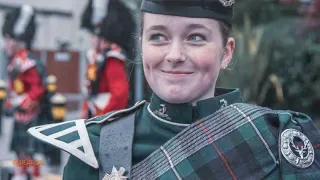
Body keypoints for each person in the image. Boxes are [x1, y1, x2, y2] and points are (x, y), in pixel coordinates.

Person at [28, 0, 320, 179]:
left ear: (227, 51)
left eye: (195, 37)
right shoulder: (93, 148)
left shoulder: (278, 140)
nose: (174, 54)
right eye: (158, 37)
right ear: (141, 45)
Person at [2, 4, 46, 180]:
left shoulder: (26, 61)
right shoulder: (15, 61)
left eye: (7, 39)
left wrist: (22, 101)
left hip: (29, 112)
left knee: (28, 151)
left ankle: (33, 173)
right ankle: (22, 172)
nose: (5, 44)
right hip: (20, 112)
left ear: (16, 40)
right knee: (20, 150)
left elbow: (37, 88)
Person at [80, 0, 134, 119]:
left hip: (105, 114)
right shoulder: (97, 57)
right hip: (94, 112)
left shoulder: (112, 58)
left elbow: (120, 94)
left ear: (102, 38)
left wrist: (104, 118)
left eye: (95, 36)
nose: (92, 39)